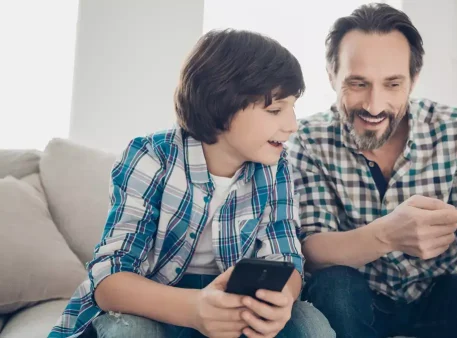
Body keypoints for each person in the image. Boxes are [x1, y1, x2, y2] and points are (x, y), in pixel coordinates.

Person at [288, 3, 457, 338]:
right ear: (331, 76)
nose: (374, 104)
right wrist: (387, 235)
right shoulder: (309, 138)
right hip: (358, 301)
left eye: (392, 84)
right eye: (358, 84)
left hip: (440, 296)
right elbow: (311, 249)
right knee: (334, 287)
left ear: (414, 80)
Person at [50, 29, 334, 338]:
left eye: (293, 107)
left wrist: (281, 300)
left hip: (230, 307)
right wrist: (194, 308)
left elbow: (286, 257)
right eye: (276, 110)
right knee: (129, 332)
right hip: (158, 302)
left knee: (310, 324)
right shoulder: (150, 156)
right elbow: (109, 280)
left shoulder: (275, 167)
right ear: (222, 104)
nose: (292, 125)